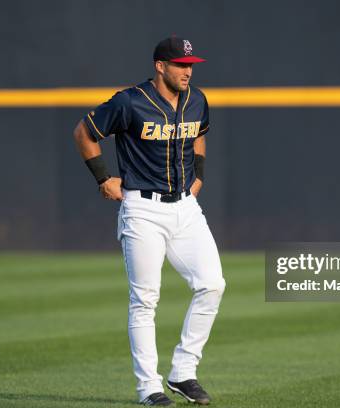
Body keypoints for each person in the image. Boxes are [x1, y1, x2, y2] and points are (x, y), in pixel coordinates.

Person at [73, 36, 226, 406]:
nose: (187, 71)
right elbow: (85, 132)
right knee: (145, 301)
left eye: (191, 65)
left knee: (212, 285)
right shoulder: (130, 101)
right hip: (143, 209)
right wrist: (103, 178)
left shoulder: (197, 100)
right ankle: (149, 388)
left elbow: (199, 136)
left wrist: (199, 175)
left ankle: (183, 373)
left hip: (185, 208)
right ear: (161, 66)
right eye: (180, 65)